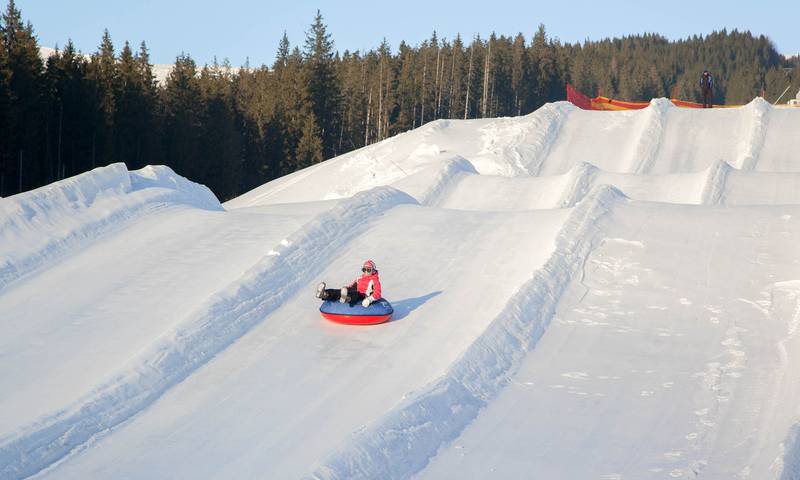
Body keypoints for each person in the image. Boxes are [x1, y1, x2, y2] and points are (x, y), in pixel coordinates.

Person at [316, 260, 382, 307]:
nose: (366, 272)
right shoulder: (360, 278)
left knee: (355, 294)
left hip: (364, 296)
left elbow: (378, 294)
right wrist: (345, 289)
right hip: (356, 292)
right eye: (364, 270)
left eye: (368, 270)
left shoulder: (375, 280)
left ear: (373, 270)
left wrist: (369, 299)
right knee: (338, 291)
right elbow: (352, 286)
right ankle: (325, 294)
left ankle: (347, 298)